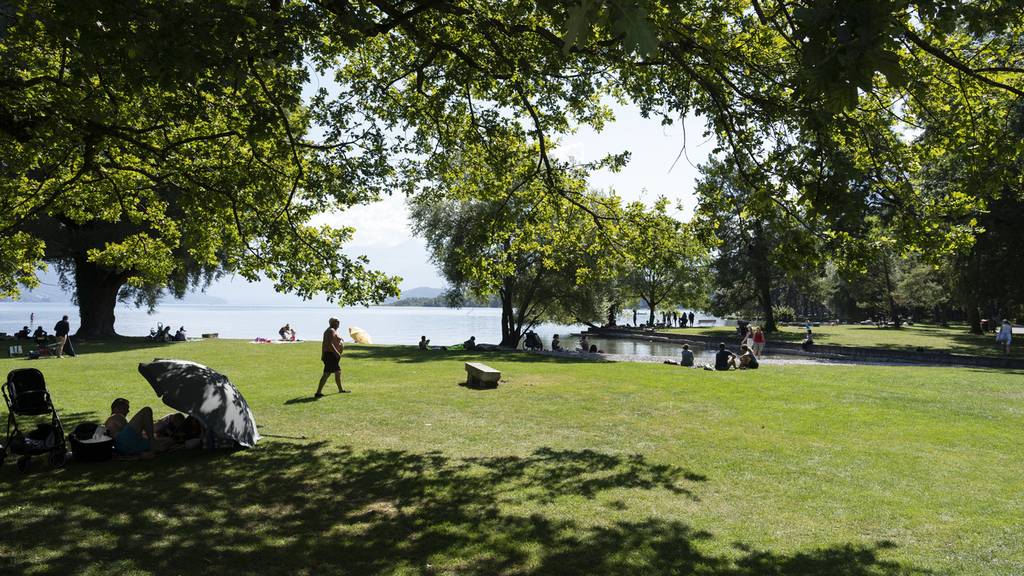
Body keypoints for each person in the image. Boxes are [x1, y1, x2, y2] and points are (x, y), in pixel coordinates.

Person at [104, 398, 173, 456]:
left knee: (168, 440)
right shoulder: (115, 416)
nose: (128, 411)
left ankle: (148, 450)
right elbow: (129, 431)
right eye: (125, 408)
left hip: (128, 447)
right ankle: (153, 443)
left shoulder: (113, 420)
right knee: (146, 410)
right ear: (116, 408)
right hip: (123, 441)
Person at [316, 317, 347, 397]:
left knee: (336, 372)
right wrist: (336, 352)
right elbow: (329, 343)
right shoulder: (331, 330)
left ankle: (340, 390)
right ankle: (318, 393)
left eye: (338, 322)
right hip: (330, 355)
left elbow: (331, 340)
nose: (338, 324)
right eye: (337, 322)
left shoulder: (332, 330)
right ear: (332, 323)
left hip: (330, 355)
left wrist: (340, 340)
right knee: (327, 373)